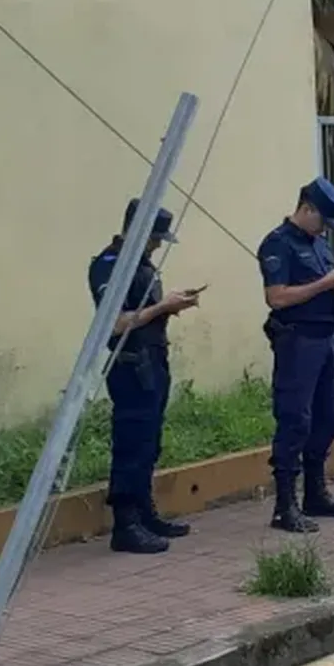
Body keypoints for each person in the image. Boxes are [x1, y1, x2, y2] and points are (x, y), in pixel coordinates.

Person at [88, 200, 200, 554]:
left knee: (150, 443)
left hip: (153, 361)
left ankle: (145, 512)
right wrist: (162, 307)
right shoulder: (109, 266)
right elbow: (116, 322)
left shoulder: (141, 264)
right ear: (137, 230)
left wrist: (171, 306)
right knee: (131, 443)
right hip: (130, 365)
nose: (157, 244)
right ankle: (126, 524)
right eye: (155, 237)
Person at [258, 177, 334, 534]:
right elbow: (278, 297)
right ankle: (284, 504)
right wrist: (325, 284)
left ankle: (315, 494)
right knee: (295, 420)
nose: (325, 230)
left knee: (326, 418)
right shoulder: (278, 244)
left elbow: (320, 290)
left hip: (326, 338)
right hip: (297, 342)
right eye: (323, 221)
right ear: (307, 209)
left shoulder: (320, 245)